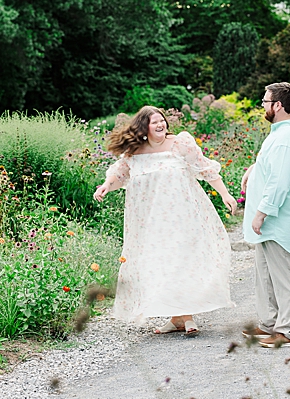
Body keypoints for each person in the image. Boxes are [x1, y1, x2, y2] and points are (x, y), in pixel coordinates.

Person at [94, 106, 237, 336]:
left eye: (162, 120)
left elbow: (205, 168)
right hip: (150, 223)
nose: (161, 125)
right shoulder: (134, 152)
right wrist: (105, 187)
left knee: (182, 262)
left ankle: (187, 316)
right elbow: (118, 174)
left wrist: (225, 194)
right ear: (144, 127)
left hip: (183, 217)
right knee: (162, 265)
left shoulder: (181, 144)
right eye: (154, 122)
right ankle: (176, 319)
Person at [241, 82, 290, 349]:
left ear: (278, 105)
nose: (263, 105)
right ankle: (270, 324)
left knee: (285, 275)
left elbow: (281, 182)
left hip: (280, 219)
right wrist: (255, 168)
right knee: (266, 275)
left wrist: (261, 213)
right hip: (274, 221)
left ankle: (287, 332)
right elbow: (275, 166)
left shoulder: (286, 138)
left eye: (265, 101)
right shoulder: (289, 129)